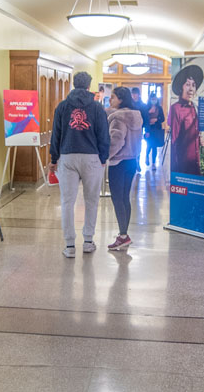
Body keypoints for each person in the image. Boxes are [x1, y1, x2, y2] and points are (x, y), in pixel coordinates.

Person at [49, 71, 111, 258]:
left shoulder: (62, 106)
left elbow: (56, 134)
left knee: (67, 201)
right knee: (91, 200)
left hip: (68, 156)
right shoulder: (97, 108)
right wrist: (103, 158)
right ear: (89, 85)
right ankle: (88, 241)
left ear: (73, 84)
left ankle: (69, 245)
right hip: (91, 157)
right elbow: (104, 136)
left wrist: (54, 159)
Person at [106, 86, 143, 251]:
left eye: (112, 97)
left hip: (118, 162)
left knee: (117, 198)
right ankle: (124, 234)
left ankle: (122, 236)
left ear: (121, 99)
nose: (110, 100)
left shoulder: (118, 118)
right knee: (125, 197)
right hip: (132, 161)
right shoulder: (136, 116)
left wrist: (105, 156)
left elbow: (117, 140)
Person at [168, 64, 204, 176]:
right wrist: (175, 171)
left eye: (193, 85)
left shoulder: (195, 107)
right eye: (187, 84)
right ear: (181, 87)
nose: (191, 89)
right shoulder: (176, 109)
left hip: (195, 161)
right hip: (183, 165)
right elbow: (174, 141)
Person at [144, 93, 165, 169]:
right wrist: (149, 113)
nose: (154, 101)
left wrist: (156, 120)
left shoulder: (159, 108)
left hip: (156, 129)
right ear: (150, 100)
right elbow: (144, 118)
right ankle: (146, 157)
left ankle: (153, 163)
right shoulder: (146, 108)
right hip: (149, 129)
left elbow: (162, 119)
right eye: (152, 99)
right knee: (149, 145)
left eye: (155, 99)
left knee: (154, 147)